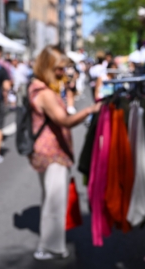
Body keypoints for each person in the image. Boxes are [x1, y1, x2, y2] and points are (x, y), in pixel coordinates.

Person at [29, 46, 101, 260]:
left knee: (51, 197)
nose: (62, 73)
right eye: (59, 69)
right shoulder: (46, 94)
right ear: (48, 67)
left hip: (43, 151)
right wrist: (89, 110)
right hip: (53, 153)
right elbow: (64, 121)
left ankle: (50, 244)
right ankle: (50, 247)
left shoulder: (36, 86)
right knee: (55, 201)